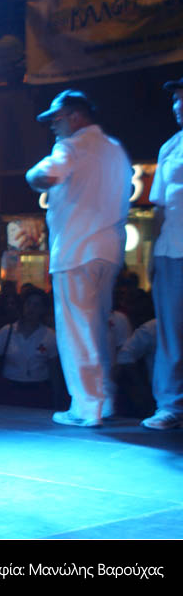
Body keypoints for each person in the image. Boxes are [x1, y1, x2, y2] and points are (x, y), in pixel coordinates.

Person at [24, 89, 131, 427]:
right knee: (98, 327)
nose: (53, 126)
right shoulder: (115, 149)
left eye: (57, 119)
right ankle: (105, 400)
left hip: (76, 250)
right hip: (108, 250)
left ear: (75, 116)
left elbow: (46, 175)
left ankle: (86, 407)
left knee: (76, 330)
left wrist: (31, 176)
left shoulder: (70, 146)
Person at [145, 77, 183, 430]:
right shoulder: (170, 147)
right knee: (171, 332)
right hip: (170, 252)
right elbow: (158, 207)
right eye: (174, 99)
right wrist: (151, 253)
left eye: (182, 98)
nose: (177, 105)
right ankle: (170, 406)